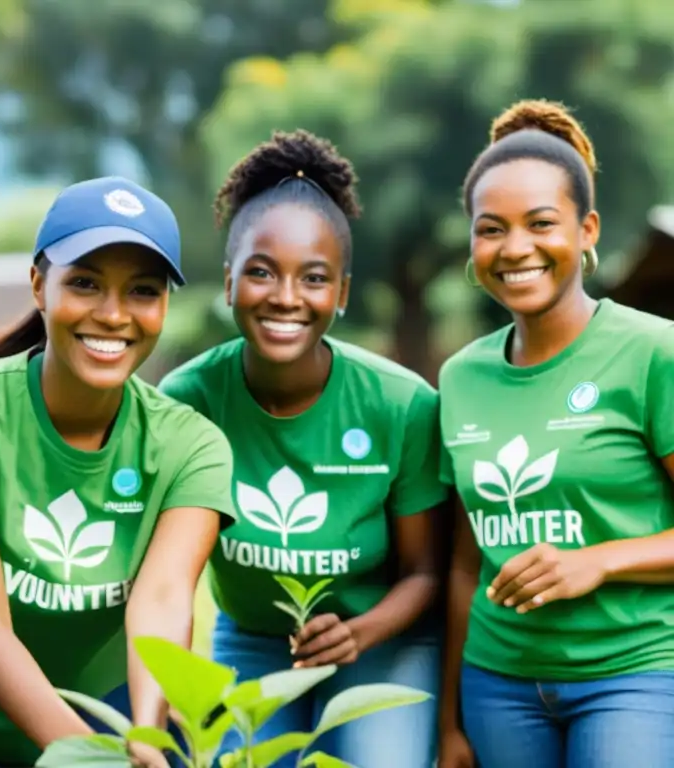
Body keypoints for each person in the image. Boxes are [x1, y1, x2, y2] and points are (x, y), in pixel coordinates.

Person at [0, 176, 236, 768]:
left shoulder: (191, 445)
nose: (114, 314)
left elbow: (165, 599)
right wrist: (89, 760)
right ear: (40, 285)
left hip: (98, 712)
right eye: (86, 284)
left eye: (142, 291)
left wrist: (144, 737)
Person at [158, 130, 446, 768]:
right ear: (229, 281)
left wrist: (359, 632)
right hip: (255, 638)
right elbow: (167, 573)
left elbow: (426, 572)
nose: (286, 297)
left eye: (313, 278)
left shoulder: (400, 404)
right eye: (261, 273)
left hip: (382, 636)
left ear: (341, 293)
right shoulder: (190, 397)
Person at [437, 99, 674, 768]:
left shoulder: (655, 354)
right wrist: (450, 721)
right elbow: (464, 563)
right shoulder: (459, 378)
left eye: (541, 223)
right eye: (491, 229)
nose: (515, 249)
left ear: (587, 228)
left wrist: (598, 560)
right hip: (498, 685)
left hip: (634, 674)